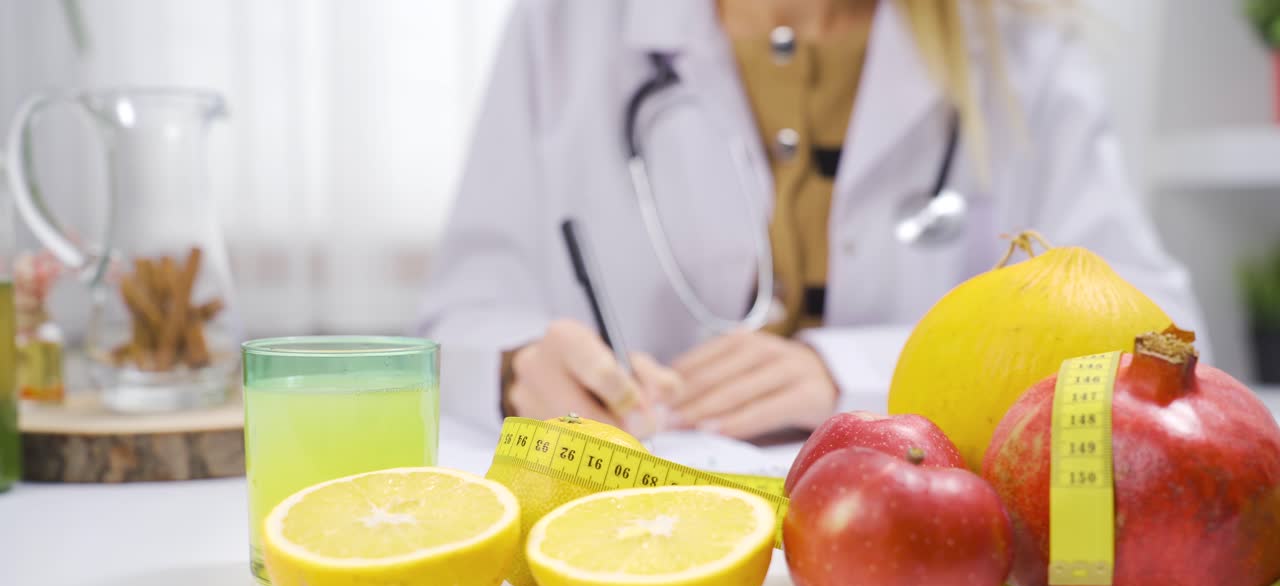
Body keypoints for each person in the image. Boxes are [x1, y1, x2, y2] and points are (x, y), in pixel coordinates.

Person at [417, 0, 1207, 439]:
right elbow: (463, 313)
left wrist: (853, 373)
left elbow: (1160, 335)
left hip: (925, 546)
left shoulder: (1016, 43)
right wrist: (518, 364)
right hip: (644, 529)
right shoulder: (569, 24)